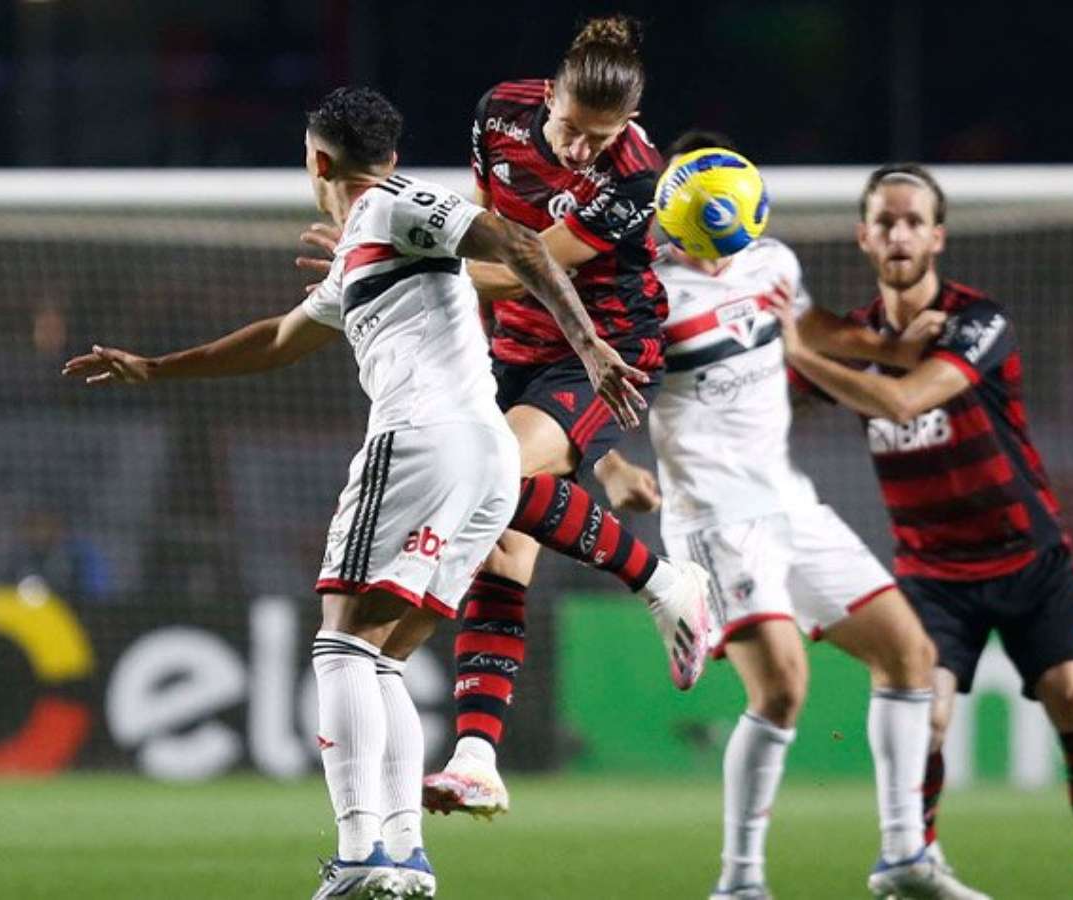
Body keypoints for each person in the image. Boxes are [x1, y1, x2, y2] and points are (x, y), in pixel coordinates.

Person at [63, 86, 648, 900]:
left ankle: (358, 852)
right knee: (380, 658)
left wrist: (587, 347)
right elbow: (278, 337)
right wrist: (157, 369)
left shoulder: (391, 204)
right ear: (390, 153)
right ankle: (405, 858)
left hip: (423, 439)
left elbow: (517, 241)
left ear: (317, 162)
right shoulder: (366, 246)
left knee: (339, 645)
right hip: (484, 459)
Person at [297, 14, 711, 820]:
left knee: (493, 476)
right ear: (548, 96)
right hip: (510, 350)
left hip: (602, 352)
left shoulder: (635, 177)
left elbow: (525, 266)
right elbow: (484, 228)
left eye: (603, 137)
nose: (583, 150)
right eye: (573, 129)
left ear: (630, 125)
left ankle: (665, 582)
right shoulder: (498, 113)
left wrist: (376, 258)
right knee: (497, 541)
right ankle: (477, 758)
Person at [595, 131, 989, 900]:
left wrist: (890, 349)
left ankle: (905, 858)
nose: (722, 246)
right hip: (714, 519)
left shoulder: (772, 260)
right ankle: (740, 882)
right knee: (781, 688)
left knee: (910, 656)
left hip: (790, 503)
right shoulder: (647, 293)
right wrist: (612, 470)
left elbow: (807, 331)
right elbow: (593, 392)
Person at [783, 163, 1073, 900]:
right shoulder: (852, 340)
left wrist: (801, 349)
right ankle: (919, 865)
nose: (899, 234)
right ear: (864, 237)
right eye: (885, 221)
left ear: (937, 237)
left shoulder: (980, 321)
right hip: (933, 573)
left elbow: (906, 400)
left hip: (1029, 558)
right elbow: (768, 397)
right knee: (927, 716)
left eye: (913, 221)